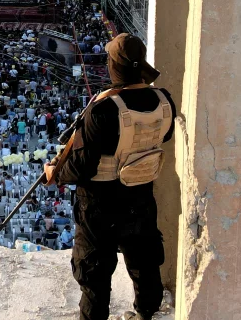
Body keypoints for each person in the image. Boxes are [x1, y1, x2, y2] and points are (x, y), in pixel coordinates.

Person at [46, 33, 176, 320]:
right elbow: (163, 136)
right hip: (140, 195)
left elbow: (81, 166)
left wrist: (56, 173)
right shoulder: (164, 100)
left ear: (114, 65)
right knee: (145, 259)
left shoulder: (103, 109)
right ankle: (146, 312)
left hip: (99, 203)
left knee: (94, 271)